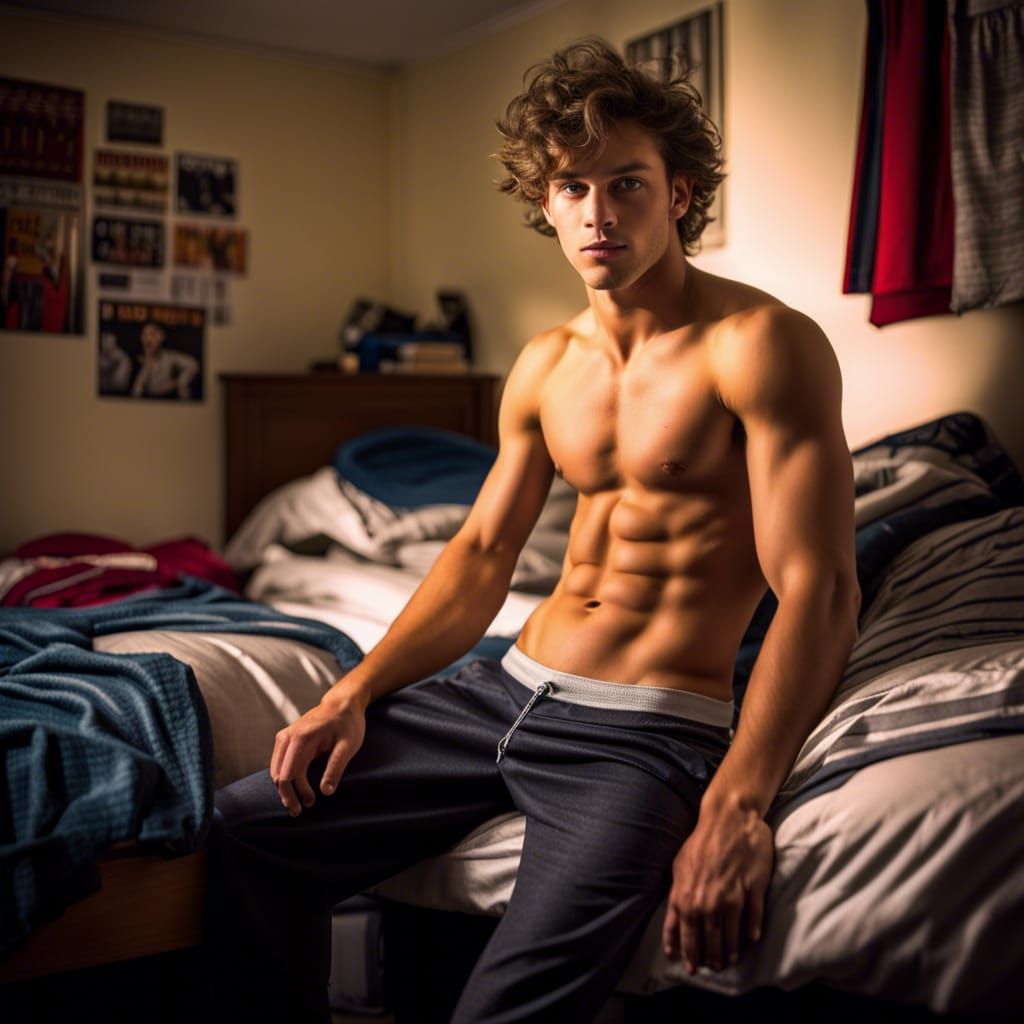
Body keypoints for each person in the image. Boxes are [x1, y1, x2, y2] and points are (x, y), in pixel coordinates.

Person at [208, 38, 860, 1023]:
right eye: (572, 187)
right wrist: (352, 690)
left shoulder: (761, 345)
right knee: (247, 825)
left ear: (679, 193)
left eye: (627, 184)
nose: (598, 212)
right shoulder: (545, 363)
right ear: (545, 203)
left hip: (641, 735)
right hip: (496, 691)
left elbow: (822, 589)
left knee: (509, 1007)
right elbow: (478, 559)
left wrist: (736, 799)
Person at [130, 320, 199, 399]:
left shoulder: (169, 356)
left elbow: (193, 364)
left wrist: (179, 382)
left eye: (152, 334)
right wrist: (147, 368)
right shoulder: (135, 361)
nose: (148, 339)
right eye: (145, 335)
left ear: (162, 337)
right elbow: (135, 393)